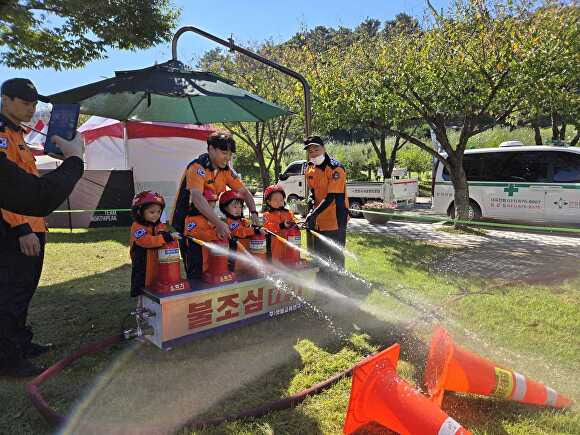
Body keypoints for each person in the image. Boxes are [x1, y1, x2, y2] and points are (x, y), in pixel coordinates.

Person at [0, 77, 84, 378]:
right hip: (16, 229)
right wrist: (21, 228)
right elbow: (10, 191)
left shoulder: (18, 133)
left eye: (34, 103)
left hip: (35, 223)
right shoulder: (2, 135)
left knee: (24, 290)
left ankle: (21, 342)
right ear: (6, 99)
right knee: (11, 294)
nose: (30, 108)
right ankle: (8, 358)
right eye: (25, 102)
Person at [171, 130, 259, 279]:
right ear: (211, 149)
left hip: (209, 218)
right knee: (197, 262)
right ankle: (196, 295)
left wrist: (255, 214)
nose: (228, 158)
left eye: (231, 154)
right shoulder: (196, 168)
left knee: (218, 259)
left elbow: (244, 192)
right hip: (188, 220)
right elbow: (197, 198)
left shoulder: (225, 170)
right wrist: (218, 223)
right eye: (224, 153)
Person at [303, 136, 349, 282]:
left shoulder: (336, 169)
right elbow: (313, 191)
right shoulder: (310, 168)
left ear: (324, 148)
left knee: (336, 251)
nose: (314, 153)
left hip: (336, 217)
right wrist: (311, 203)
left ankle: (339, 279)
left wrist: (313, 214)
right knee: (320, 251)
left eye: (316, 149)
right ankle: (322, 278)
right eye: (310, 150)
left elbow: (332, 197)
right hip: (319, 218)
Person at [129, 191, 181, 297]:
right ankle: (140, 305)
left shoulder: (160, 225)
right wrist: (167, 237)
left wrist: (170, 235)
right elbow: (146, 241)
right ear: (139, 212)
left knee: (155, 282)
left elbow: (163, 234)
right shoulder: (137, 226)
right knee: (141, 286)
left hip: (157, 261)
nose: (156, 215)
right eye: (152, 212)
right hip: (143, 264)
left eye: (158, 212)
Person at [218, 190, 264, 274]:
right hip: (235, 261)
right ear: (224, 207)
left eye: (240, 207)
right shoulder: (228, 222)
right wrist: (254, 230)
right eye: (235, 207)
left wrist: (256, 228)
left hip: (246, 258)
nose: (238, 209)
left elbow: (248, 228)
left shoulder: (243, 221)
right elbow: (239, 231)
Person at [183, 188, 219, 276]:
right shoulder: (191, 219)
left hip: (207, 258)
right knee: (196, 281)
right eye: (208, 208)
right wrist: (216, 233)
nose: (211, 211)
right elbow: (197, 235)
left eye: (212, 208)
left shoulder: (208, 219)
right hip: (197, 261)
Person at [262, 184, 298, 263]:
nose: (279, 202)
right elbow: (268, 227)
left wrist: (295, 224)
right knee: (276, 264)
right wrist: (281, 225)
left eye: (281, 200)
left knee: (288, 262)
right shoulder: (267, 215)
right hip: (274, 247)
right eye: (275, 200)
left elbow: (294, 220)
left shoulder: (288, 213)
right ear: (268, 201)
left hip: (288, 244)